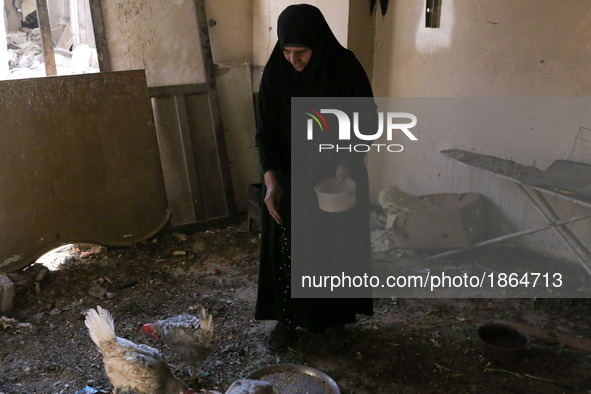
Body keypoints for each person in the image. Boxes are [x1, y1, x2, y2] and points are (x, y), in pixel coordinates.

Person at [254, 3, 374, 354]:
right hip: (289, 175)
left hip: (337, 176)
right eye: (287, 51)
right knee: (287, 247)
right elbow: (265, 134)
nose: (293, 60)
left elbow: (366, 120)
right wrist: (272, 182)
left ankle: (335, 320)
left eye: (301, 52)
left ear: (318, 44)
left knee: (336, 246)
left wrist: (348, 160)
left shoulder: (344, 67)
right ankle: (286, 319)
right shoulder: (276, 72)